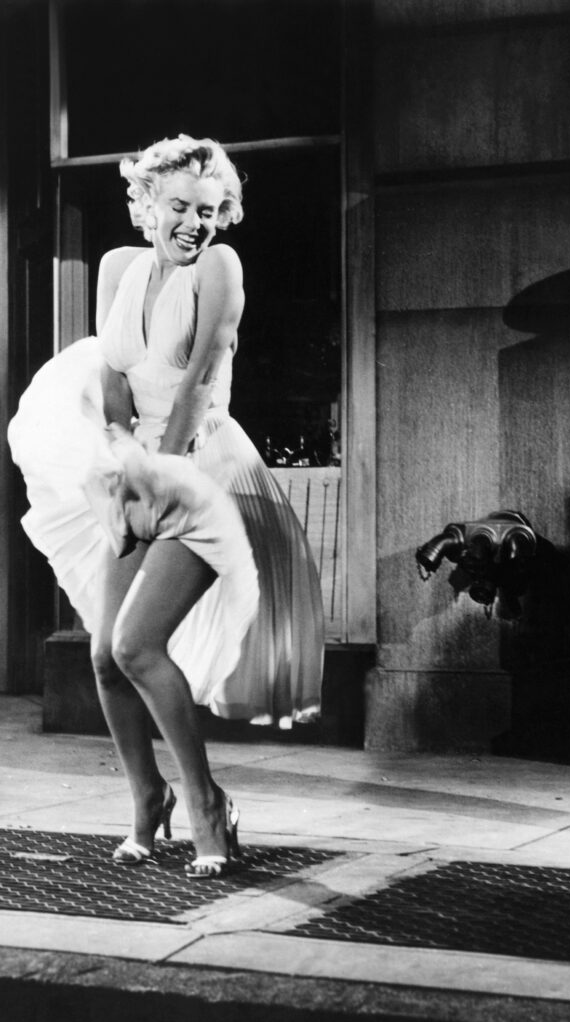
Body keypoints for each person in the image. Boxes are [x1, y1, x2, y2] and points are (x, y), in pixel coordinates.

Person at [8, 134, 324, 877]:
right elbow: (113, 375)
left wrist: (159, 473)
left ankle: (207, 804)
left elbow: (198, 384)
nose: (196, 223)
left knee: (137, 645)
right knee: (104, 654)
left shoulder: (219, 267)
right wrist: (123, 460)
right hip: (141, 466)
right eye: (180, 206)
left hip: (204, 474)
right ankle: (148, 798)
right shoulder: (118, 267)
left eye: (210, 210)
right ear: (145, 203)